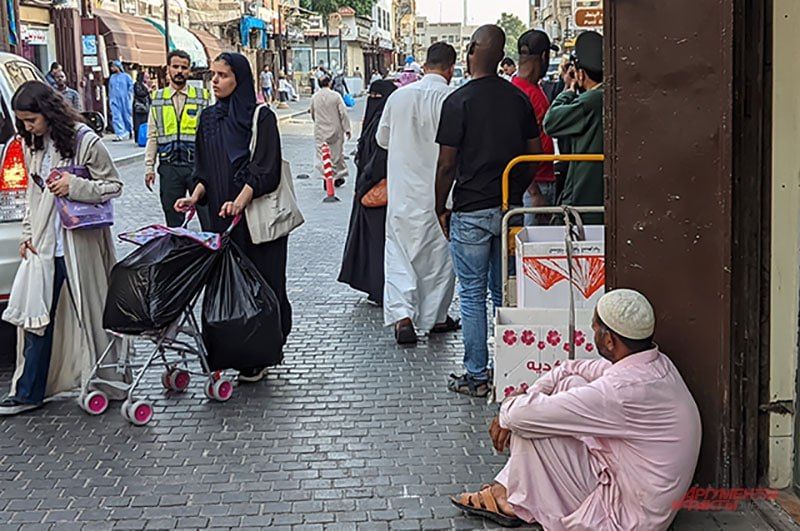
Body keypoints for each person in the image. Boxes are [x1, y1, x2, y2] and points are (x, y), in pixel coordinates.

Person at [452, 289, 702, 531]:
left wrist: (507, 413)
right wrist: (529, 396)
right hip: (639, 491)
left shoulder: (620, 391)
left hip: (624, 516)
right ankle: (511, 490)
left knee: (527, 425)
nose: (592, 332)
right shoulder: (654, 364)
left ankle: (511, 499)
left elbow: (519, 416)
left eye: (594, 328)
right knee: (567, 385)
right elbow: (570, 368)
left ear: (608, 340)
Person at [0, 81, 128, 415]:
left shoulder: (85, 140)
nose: (28, 127)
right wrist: (28, 233)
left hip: (80, 244)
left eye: (32, 120)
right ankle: (29, 392)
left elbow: (113, 186)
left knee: (93, 312)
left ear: (49, 112)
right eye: (23, 122)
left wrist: (75, 185)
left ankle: (107, 380)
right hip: (44, 245)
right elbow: (32, 193)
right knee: (36, 318)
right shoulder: (32, 145)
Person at [434, 25, 541, 397]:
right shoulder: (518, 100)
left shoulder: (458, 101)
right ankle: (508, 369)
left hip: (471, 209)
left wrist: (439, 207)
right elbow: (535, 152)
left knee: (473, 293)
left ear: (476, 51)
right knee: (502, 292)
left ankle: (477, 374)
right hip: (509, 209)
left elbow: (446, 164)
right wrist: (515, 186)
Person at [174, 52, 291, 384]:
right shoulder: (208, 118)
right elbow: (204, 169)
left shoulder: (260, 117)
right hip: (219, 219)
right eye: (213, 74)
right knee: (225, 286)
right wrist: (194, 196)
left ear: (239, 79)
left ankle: (259, 354)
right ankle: (229, 349)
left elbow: (266, 167)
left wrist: (240, 201)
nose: (215, 81)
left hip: (254, 223)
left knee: (261, 285)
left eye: (223, 75)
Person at [377, 42, 460, 345]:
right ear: (451, 69)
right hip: (439, 194)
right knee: (438, 260)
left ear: (425, 65)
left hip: (402, 194)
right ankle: (435, 317)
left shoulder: (398, 98)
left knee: (399, 256)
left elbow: (382, 139)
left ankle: (403, 317)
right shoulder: (453, 98)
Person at [338, 80, 397, 305]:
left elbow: (378, 160)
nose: (372, 100)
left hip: (377, 192)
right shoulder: (380, 121)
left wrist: (364, 183)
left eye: (377, 96)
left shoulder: (381, 124)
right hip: (372, 192)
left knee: (378, 245)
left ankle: (380, 288)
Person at [145, 50, 212, 229]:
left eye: (184, 67)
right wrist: (149, 167)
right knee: (174, 221)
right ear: (168, 69)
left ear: (189, 71)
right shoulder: (157, 99)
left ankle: (211, 254)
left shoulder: (202, 97)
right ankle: (180, 254)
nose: (179, 71)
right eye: (175, 67)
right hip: (169, 167)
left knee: (208, 217)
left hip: (197, 167)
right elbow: (153, 135)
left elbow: (211, 135)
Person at [543, 30, 604, 224]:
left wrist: (568, 89)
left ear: (580, 73)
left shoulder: (591, 100)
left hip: (584, 194)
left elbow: (550, 122)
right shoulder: (606, 94)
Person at [512, 30, 559, 225]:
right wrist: (535, 193)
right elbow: (516, 145)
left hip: (541, 180)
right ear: (544, 57)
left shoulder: (524, 87)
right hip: (536, 185)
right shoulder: (524, 94)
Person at [310, 76, 351, 187]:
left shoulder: (315, 97)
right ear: (330, 83)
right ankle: (336, 176)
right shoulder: (336, 96)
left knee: (322, 154)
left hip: (320, 130)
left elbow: (313, 113)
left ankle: (326, 176)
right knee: (336, 154)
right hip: (335, 130)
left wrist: (318, 123)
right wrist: (347, 128)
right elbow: (343, 113)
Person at [108, 60, 134, 142]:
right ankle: (119, 134)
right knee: (116, 116)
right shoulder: (112, 77)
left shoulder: (126, 77)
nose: (112, 68)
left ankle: (130, 131)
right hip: (114, 99)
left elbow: (131, 88)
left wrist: (130, 98)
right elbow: (110, 89)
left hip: (125, 99)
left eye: (113, 66)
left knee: (127, 116)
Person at [132, 71, 151, 141]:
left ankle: (144, 137)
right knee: (138, 122)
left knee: (145, 121)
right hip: (139, 105)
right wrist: (147, 91)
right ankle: (138, 137)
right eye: (146, 77)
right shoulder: (137, 84)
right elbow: (139, 93)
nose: (148, 78)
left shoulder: (146, 85)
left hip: (146, 105)